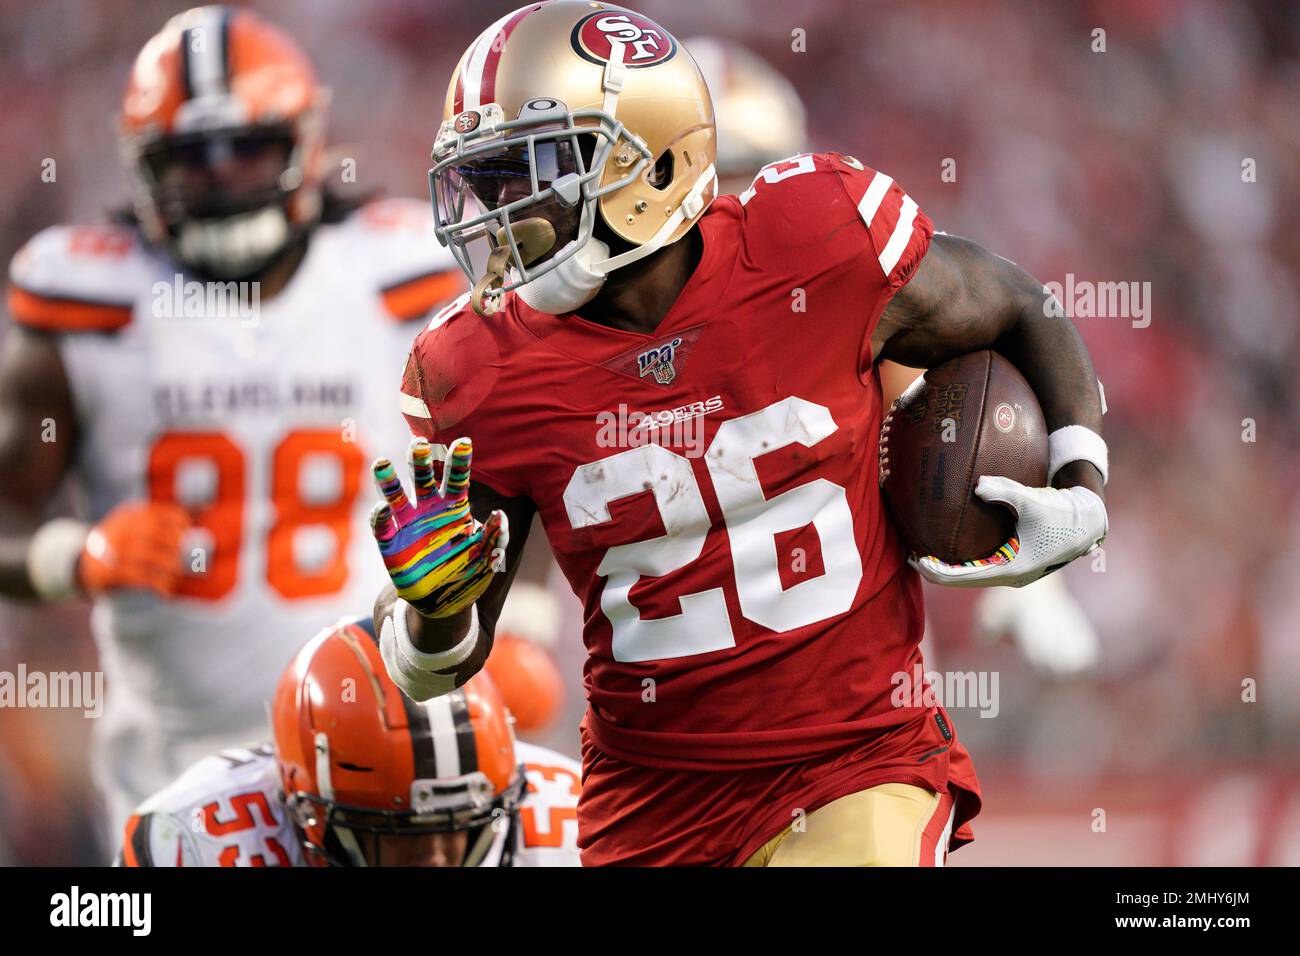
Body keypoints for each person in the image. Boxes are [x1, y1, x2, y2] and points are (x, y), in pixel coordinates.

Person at [370, 0, 1109, 866]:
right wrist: (428, 615)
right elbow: (443, 666)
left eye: (527, 171)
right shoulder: (478, 368)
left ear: (646, 161)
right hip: (649, 800)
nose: (500, 211)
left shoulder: (811, 245)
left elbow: (1020, 303)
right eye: (487, 180)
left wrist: (1081, 485)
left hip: (854, 758)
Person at [0, 5, 460, 843]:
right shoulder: (84, 295)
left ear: (306, 142)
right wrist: (74, 556)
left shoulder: (401, 275)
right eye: (191, 159)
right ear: (142, 170)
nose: (221, 177)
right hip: (173, 761)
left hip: (387, 732)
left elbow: (510, 466)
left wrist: (520, 626)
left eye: (247, 148)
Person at [118, 616, 580, 867]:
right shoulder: (195, 842)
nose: (435, 861)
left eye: (458, 827)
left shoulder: (574, 818)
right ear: (308, 813)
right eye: (407, 837)